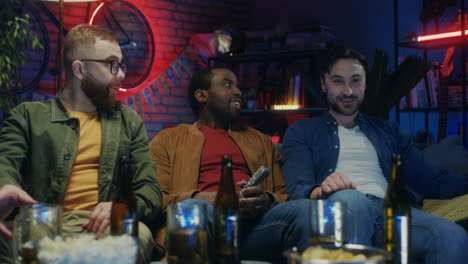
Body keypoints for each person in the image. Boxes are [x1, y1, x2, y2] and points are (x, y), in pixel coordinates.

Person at [281, 46, 468, 264]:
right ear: (324, 84)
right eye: (338, 81)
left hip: (389, 213)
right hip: (340, 207)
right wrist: (320, 189)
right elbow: (298, 186)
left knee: (453, 236)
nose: (348, 91)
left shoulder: (389, 130)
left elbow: (431, 179)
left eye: (356, 81)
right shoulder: (302, 130)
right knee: (351, 199)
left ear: (365, 84)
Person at [0, 24, 162, 263]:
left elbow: (150, 190)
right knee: (21, 234)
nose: (121, 75)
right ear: (80, 69)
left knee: (136, 235)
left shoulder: (129, 121)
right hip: (42, 224)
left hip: (103, 227)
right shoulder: (27, 116)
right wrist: (3, 187)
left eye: (121, 65)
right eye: (112, 64)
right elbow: (5, 163)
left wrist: (121, 206)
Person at [149, 67, 310, 263]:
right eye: (227, 84)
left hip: (254, 230)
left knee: (305, 209)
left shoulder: (260, 141)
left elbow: (284, 197)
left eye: (237, 86)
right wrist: (204, 198)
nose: (238, 92)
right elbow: (157, 202)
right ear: (201, 95)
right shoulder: (168, 140)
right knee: (194, 208)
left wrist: (264, 199)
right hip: (204, 226)